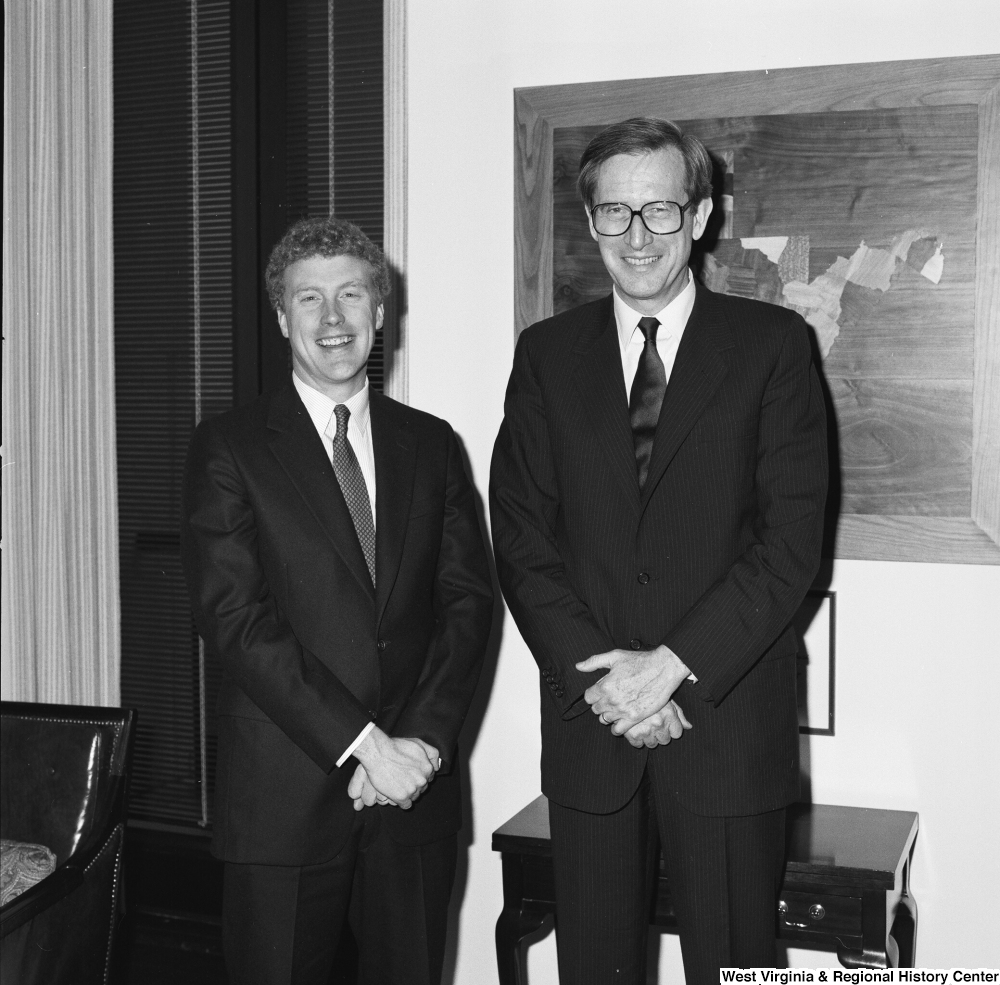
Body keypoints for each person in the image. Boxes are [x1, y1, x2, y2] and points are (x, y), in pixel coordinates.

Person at [490, 118, 828, 984]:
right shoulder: (545, 356)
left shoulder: (773, 347)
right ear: (591, 221)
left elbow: (789, 547)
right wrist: (610, 681)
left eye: (660, 210)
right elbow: (522, 538)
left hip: (723, 728)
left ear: (703, 213)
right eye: (614, 213)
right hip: (591, 731)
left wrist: (671, 664)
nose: (637, 237)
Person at [181, 216, 493, 985]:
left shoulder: (433, 443)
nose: (331, 319)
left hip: (413, 793)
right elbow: (235, 619)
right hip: (283, 801)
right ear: (282, 316)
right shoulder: (230, 447)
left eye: (351, 294)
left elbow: (467, 603)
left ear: (381, 312)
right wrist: (365, 744)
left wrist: (414, 745)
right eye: (308, 299)